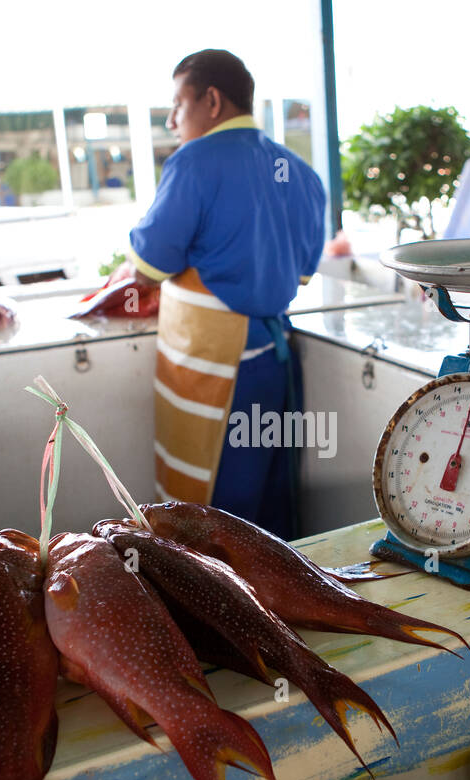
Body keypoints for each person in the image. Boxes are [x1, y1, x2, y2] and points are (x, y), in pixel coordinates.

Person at [128, 49, 326, 540]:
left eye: (178, 104)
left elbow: (153, 259)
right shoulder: (297, 171)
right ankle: (278, 613)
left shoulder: (193, 164)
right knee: (273, 510)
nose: (172, 120)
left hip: (219, 370)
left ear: (212, 101)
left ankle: (217, 615)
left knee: (214, 517)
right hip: (276, 361)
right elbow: (301, 273)